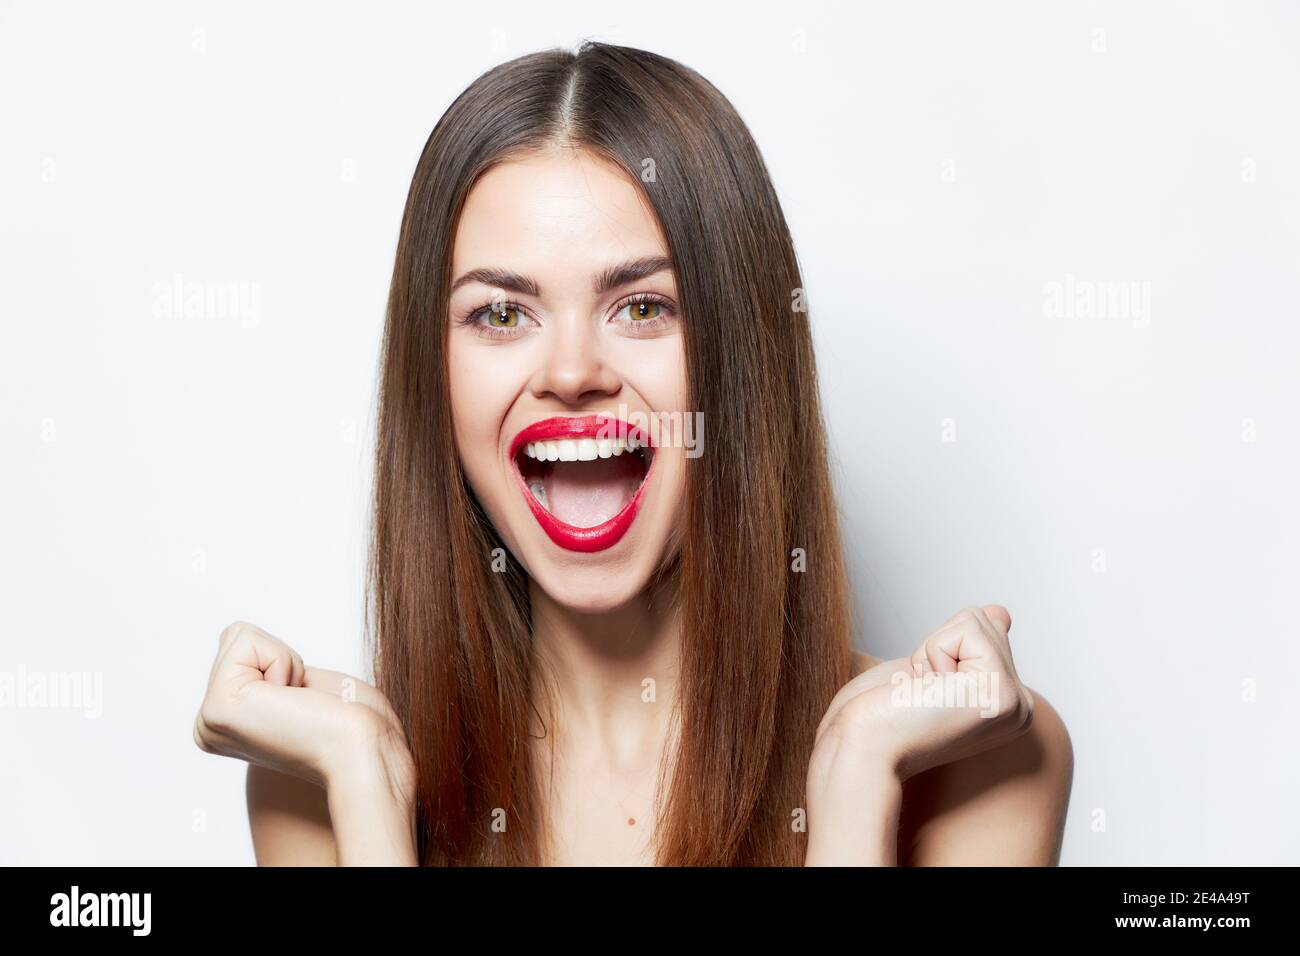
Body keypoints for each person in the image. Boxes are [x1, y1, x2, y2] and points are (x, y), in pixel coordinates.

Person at [194, 41, 1073, 866]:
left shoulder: (972, 759)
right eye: (501, 314)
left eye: (643, 307)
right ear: (436, 375)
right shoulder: (317, 776)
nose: (573, 372)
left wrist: (852, 776)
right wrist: (365, 778)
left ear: (744, 350)